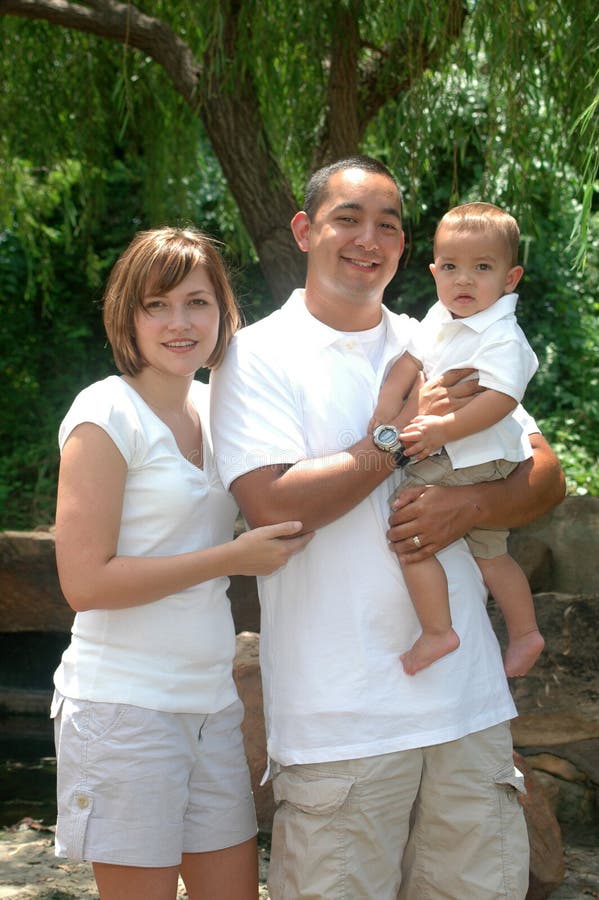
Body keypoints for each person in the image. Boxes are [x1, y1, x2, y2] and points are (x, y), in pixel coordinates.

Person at [210, 157, 565, 899]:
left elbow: (543, 475)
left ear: (407, 248)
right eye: (348, 218)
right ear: (305, 230)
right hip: (342, 720)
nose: (368, 239)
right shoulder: (255, 355)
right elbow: (272, 505)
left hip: (463, 708)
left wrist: (468, 507)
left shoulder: (445, 334)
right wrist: (396, 437)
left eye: (389, 226)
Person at [51, 227, 312, 900]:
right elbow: (84, 583)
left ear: (225, 312)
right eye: (156, 305)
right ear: (126, 317)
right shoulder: (105, 413)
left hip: (211, 704)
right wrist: (231, 558)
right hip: (123, 708)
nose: (179, 322)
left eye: (197, 302)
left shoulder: (219, 408)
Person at [370, 202, 545, 677]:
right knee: (491, 551)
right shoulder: (442, 317)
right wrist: (387, 406)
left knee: (409, 524)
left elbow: (503, 399)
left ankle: (436, 631)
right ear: (434, 272)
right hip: (471, 454)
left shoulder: (502, 335)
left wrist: (443, 428)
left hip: (473, 454)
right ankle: (526, 633)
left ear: (510, 278)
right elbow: (411, 360)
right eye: (451, 267)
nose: (463, 280)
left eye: (481, 268)